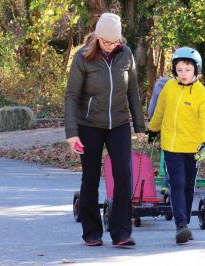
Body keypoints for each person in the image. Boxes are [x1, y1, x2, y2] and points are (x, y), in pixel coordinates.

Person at [64, 13, 145, 247]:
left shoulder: (126, 54)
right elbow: (71, 96)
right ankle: (91, 232)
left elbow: (133, 92)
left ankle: (121, 232)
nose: (110, 46)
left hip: (118, 124)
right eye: (106, 42)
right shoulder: (82, 57)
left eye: (114, 42)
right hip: (89, 125)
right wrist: (72, 133)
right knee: (90, 177)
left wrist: (139, 126)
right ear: (97, 37)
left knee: (123, 173)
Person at [147, 47, 205, 244]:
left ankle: (183, 221)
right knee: (177, 182)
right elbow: (160, 111)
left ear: (196, 70)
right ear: (174, 70)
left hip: (193, 148)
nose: (183, 74)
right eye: (179, 70)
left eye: (187, 69)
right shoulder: (168, 87)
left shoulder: (203, 94)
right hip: (171, 146)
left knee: (188, 186)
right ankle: (181, 226)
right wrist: (152, 129)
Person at [147, 76, 171, 195]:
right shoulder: (193, 83)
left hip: (165, 123)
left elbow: (154, 106)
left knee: (169, 153)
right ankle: (169, 182)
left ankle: (168, 182)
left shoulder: (161, 83)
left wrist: (151, 122)